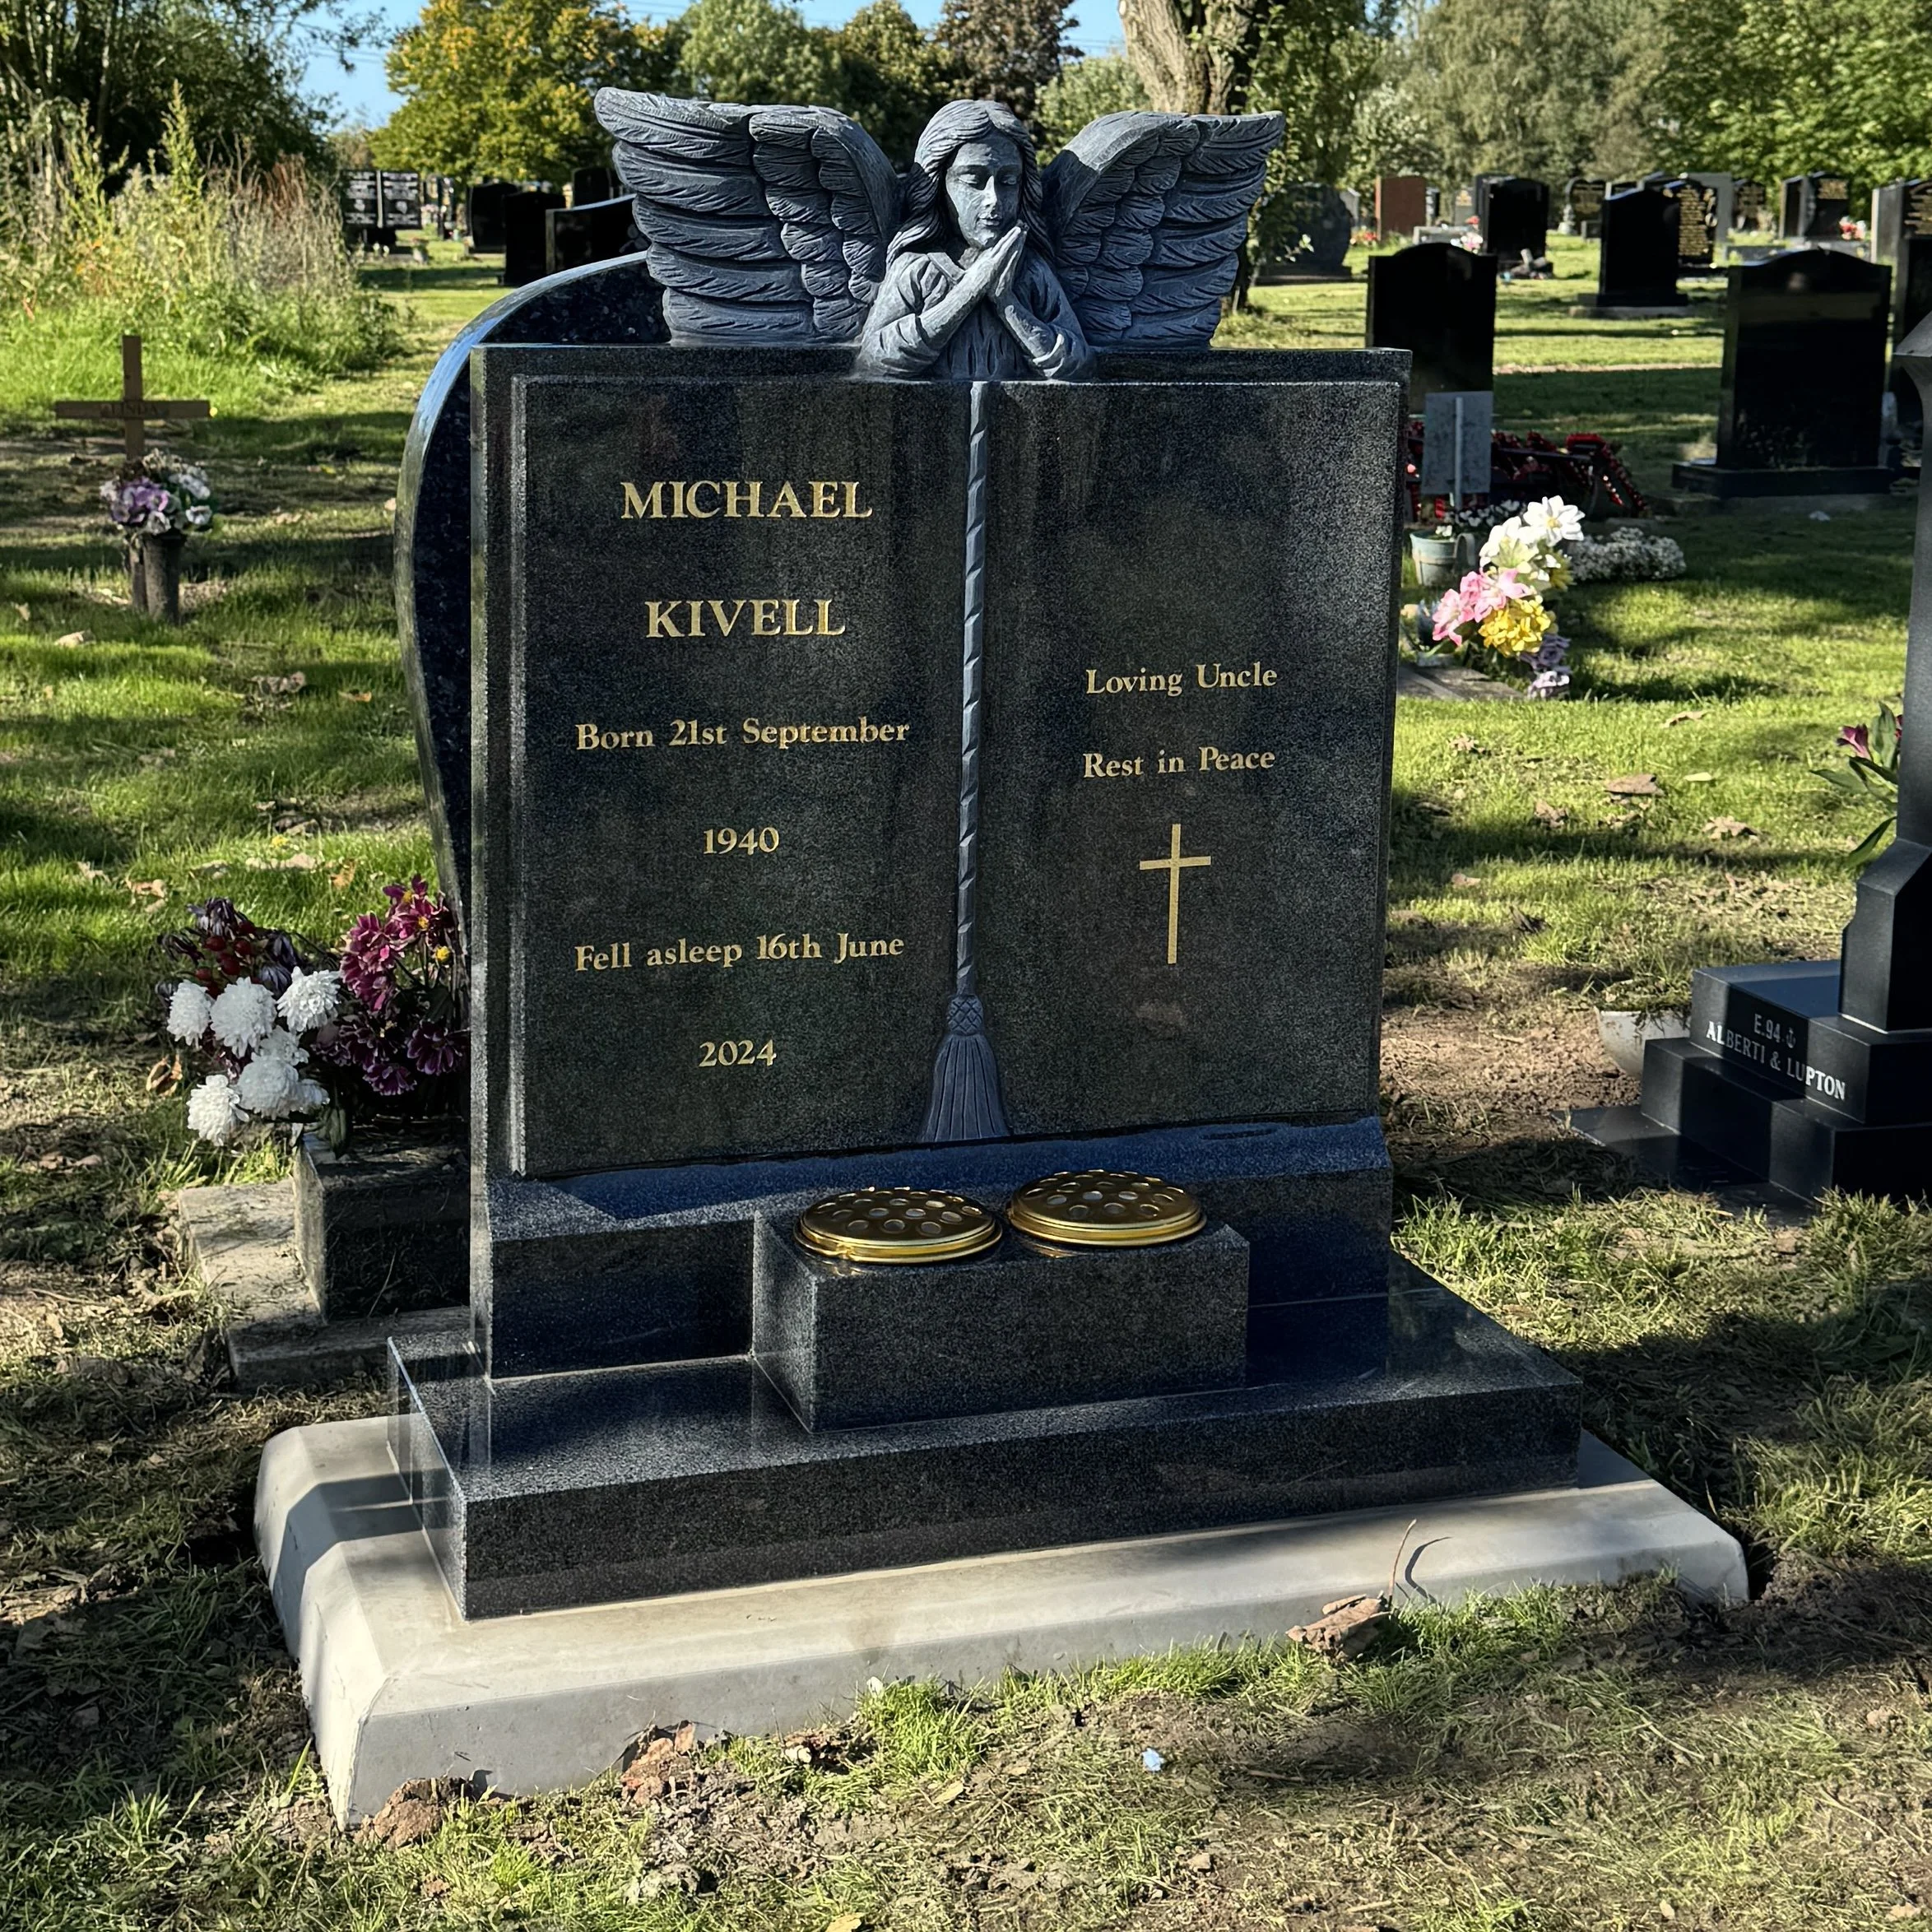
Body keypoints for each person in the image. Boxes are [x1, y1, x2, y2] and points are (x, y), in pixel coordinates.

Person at [857, 100, 1092, 382]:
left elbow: (1077, 363)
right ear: (938, 184)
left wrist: (1008, 304)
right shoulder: (918, 269)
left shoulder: (1030, 271)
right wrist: (970, 289)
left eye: (1008, 181)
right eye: (974, 180)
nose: (994, 200)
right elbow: (876, 359)